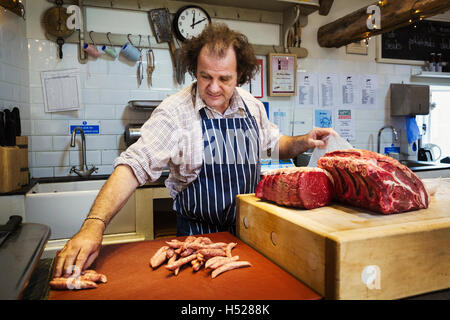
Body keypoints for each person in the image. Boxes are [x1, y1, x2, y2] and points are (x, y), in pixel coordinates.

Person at [54, 23, 337, 277]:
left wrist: (303, 140)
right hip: (197, 241)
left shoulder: (250, 105)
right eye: (205, 77)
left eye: (224, 79)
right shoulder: (175, 112)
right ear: (195, 71)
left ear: (240, 75)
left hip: (252, 235)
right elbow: (133, 166)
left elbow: (274, 144)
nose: (213, 88)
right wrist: (94, 225)